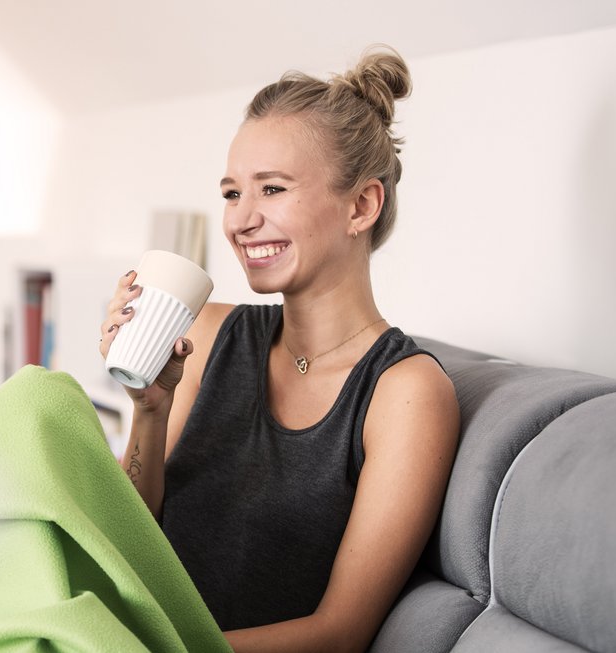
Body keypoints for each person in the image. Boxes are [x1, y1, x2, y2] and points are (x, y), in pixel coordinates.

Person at [99, 46, 460, 652]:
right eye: (231, 193)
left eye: (272, 189)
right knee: (37, 406)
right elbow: (123, 537)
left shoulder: (405, 394)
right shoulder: (207, 334)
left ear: (361, 205)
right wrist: (149, 410)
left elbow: (337, 635)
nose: (241, 221)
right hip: (109, 632)